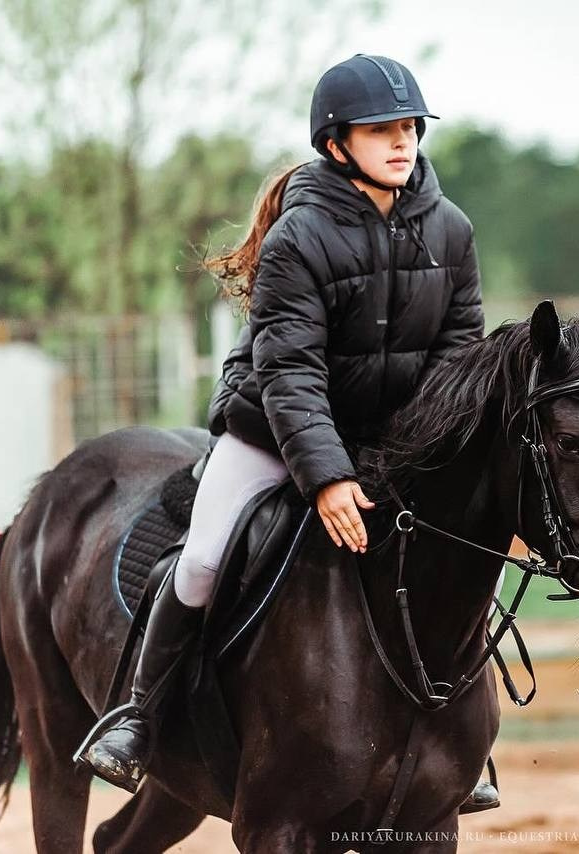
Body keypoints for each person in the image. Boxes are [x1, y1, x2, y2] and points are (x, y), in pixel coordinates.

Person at [81, 54, 499, 812]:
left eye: (409, 127)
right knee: (204, 557)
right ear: (337, 143)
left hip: (392, 440)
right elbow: (291, 372)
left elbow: (458, 357)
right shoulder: (298, 238)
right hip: (273, 426)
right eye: (382, 130)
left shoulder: (452, 229)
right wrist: (329, 476)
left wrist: (424, 450)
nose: (402, 142)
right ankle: (139, 718)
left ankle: (462, 743)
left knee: (465, 553)